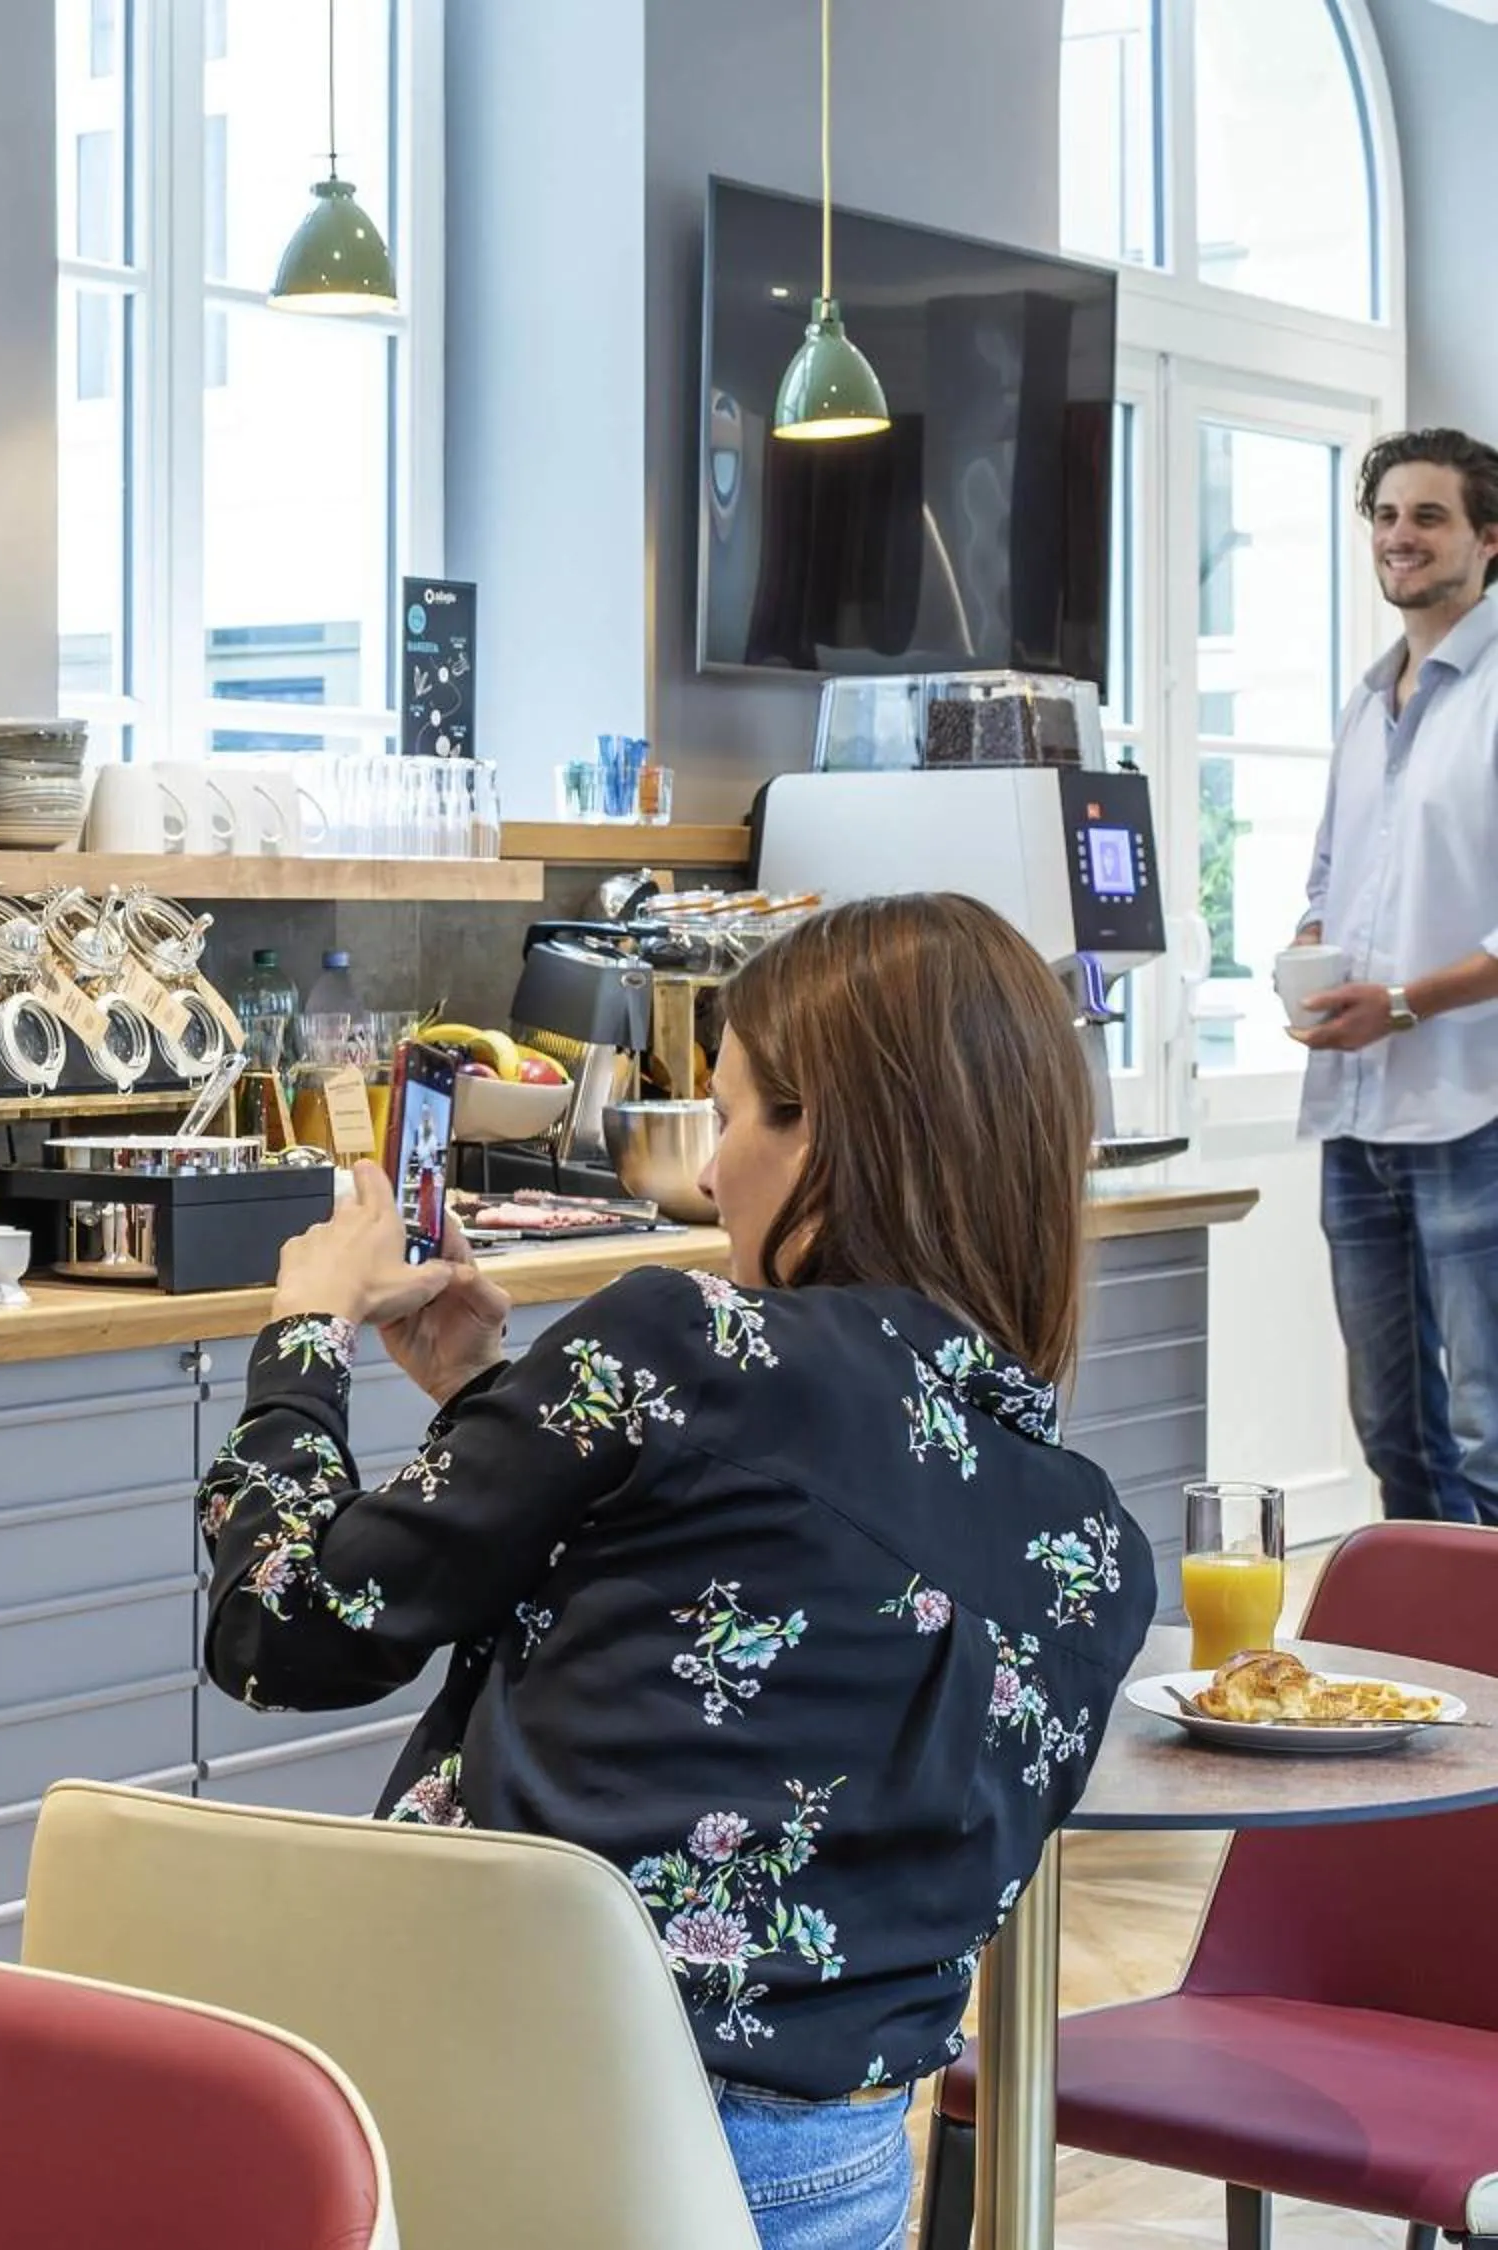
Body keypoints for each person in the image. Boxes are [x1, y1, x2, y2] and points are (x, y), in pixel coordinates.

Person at [195, 894, 1155, 2250]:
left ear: (816, 1131)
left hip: (526, 2130)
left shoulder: (686, 1342)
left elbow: (281, 1628)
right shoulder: (1099, 1556)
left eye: (725, 1114)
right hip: (834, 2181)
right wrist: (490, 1397)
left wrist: (302, 1337)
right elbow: (742, 1606)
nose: (708, 1177)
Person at [1290, 426, 1498, 1528]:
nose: (1400, 538)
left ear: (1488, 540)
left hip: (1477, 1114)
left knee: (1491, 1431)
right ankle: (1442, 1673)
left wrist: (1405, 1003)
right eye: (1384, 516)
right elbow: (1332, 873)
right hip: (1359, 1120)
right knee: (1396, 1432)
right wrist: (1313, 952)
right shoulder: (1368, 702)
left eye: (1428, 517)